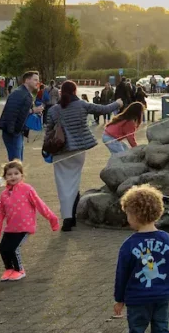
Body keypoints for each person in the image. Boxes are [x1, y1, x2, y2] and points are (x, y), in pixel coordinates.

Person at [45, 81, 122, 231]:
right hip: (78, 151)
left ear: (61, 92)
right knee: (74, 182)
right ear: (75, 91)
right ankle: (72, 217)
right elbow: (103, 109)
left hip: (60, 152)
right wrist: (118, 103)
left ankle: (67, 219)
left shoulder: (53, 110)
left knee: (63, 186)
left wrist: (46, 150)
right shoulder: (82, 105)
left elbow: (48, 132)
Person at [114, 184, 169, 333]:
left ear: (135, 215)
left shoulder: (128, 245)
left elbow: (122, 275)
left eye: (128, 214)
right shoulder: (167, 240)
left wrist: (119, 299)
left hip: (137, 298)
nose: (127, 218)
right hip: (162, 296)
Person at [0, 160, 59, 281]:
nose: (13, 176)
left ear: (22, 175)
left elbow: (40, 205)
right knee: (3, 248)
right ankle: (9, 269)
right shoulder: (4, 195)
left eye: (16, 173)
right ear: (4, 177)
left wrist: (52, 219)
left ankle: (19, 270)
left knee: (14, 249)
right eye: (9, 174)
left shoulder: (27, 189)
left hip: (25, 227)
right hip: (10, 228)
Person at [0, 71, 44, 162]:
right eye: (35, 80)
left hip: (16, 132)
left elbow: (20, 112)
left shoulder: (23, 93)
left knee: (17, 162)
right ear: (27, 80)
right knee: (16, 162)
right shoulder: (21, 94)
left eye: (38, 80)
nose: (37, 82)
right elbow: (12, 113)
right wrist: (33, 110)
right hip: (13, 133)